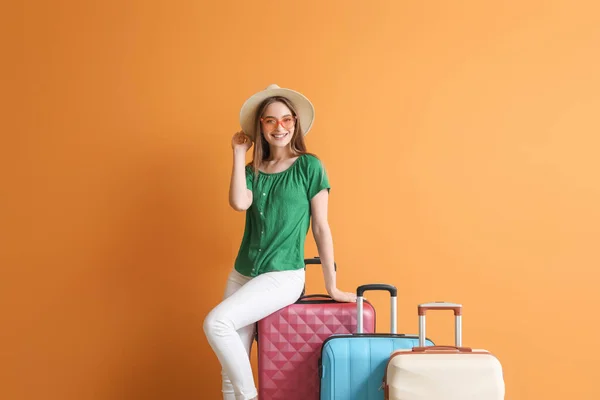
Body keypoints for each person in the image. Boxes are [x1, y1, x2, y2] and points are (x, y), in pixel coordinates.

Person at [203, 84, 356, 400]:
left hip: (283, 275)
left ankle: (251, 397)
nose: (280, 127)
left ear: (295, 124)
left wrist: (332, 286)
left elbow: (321, 229)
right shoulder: (251, 170)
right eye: (271, 120)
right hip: (242, 273)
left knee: (217, 324)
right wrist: (237, 152)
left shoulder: (308, 167)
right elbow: (239, 203)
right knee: (230, 369)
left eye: (287, 120)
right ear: (261, 125)